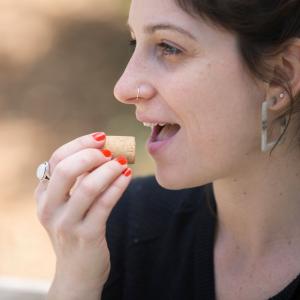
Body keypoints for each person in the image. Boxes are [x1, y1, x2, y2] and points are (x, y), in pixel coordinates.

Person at [34, 0, 300, 299]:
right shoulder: (126, 224)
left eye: (169, 47)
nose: (123, 87)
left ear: (281, 75)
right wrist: (75, 284)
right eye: (134, 41)